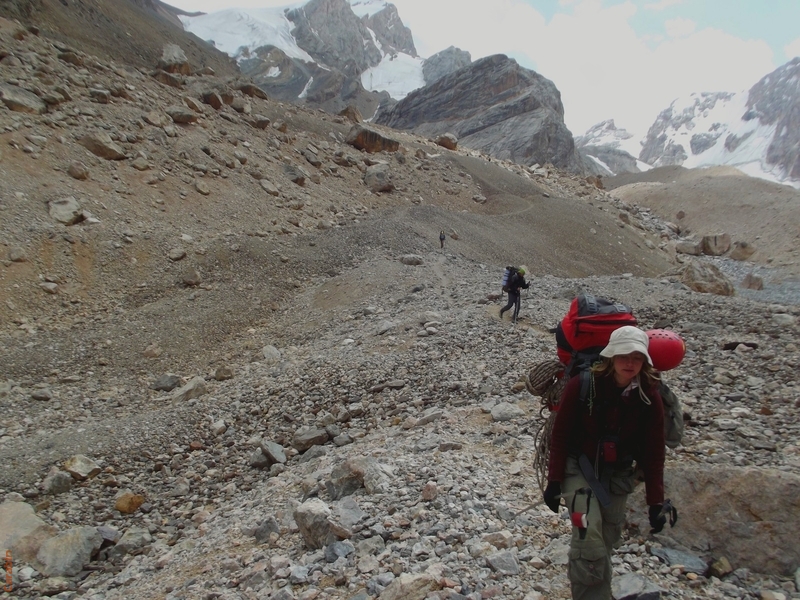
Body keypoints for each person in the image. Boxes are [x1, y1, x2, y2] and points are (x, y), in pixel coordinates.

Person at [543, 326, 672, 600]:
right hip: (577, 470)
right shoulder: (582, 385)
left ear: (644, 361)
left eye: (636, 357)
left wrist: (655, 502)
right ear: (611, 357)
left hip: (618, 475)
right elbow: (560, 435)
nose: (630, 363)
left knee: (606, 539)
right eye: (624, 356)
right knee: (586, 536)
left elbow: (654, 452)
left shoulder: (649, 395)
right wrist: (554, 482)